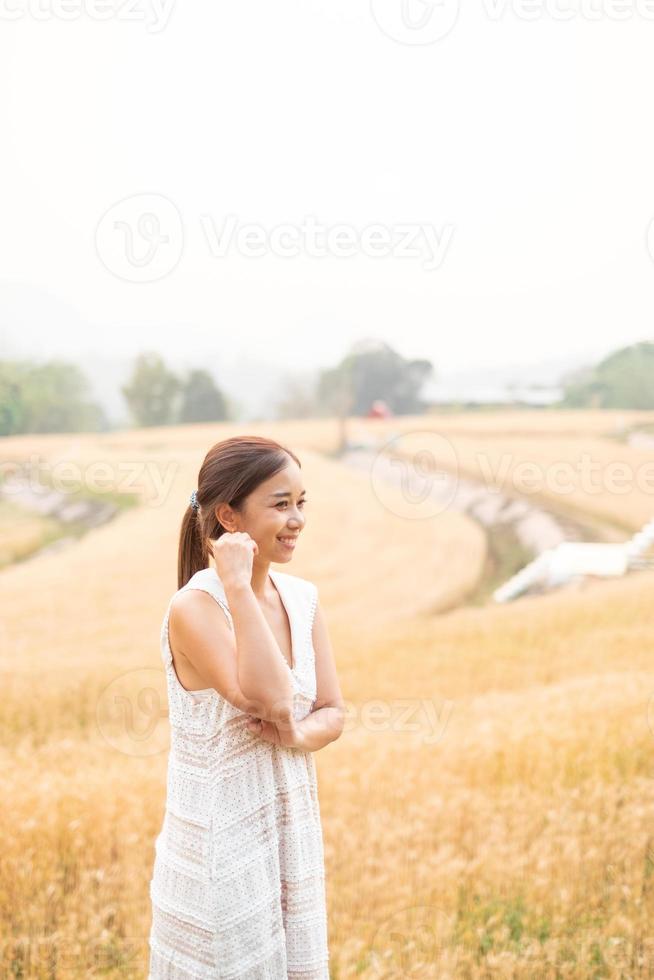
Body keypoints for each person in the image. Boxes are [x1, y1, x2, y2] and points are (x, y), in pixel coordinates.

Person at [147, 435, 344, 979]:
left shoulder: (302, 598)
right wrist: (238, 585)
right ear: (228, 516)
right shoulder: (195, 606)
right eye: (281, 504)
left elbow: (331, 709)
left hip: (291, 832)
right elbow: (272, 699)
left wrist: (300, 739)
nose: (297, 519)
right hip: (222, 849)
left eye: (302, 502)